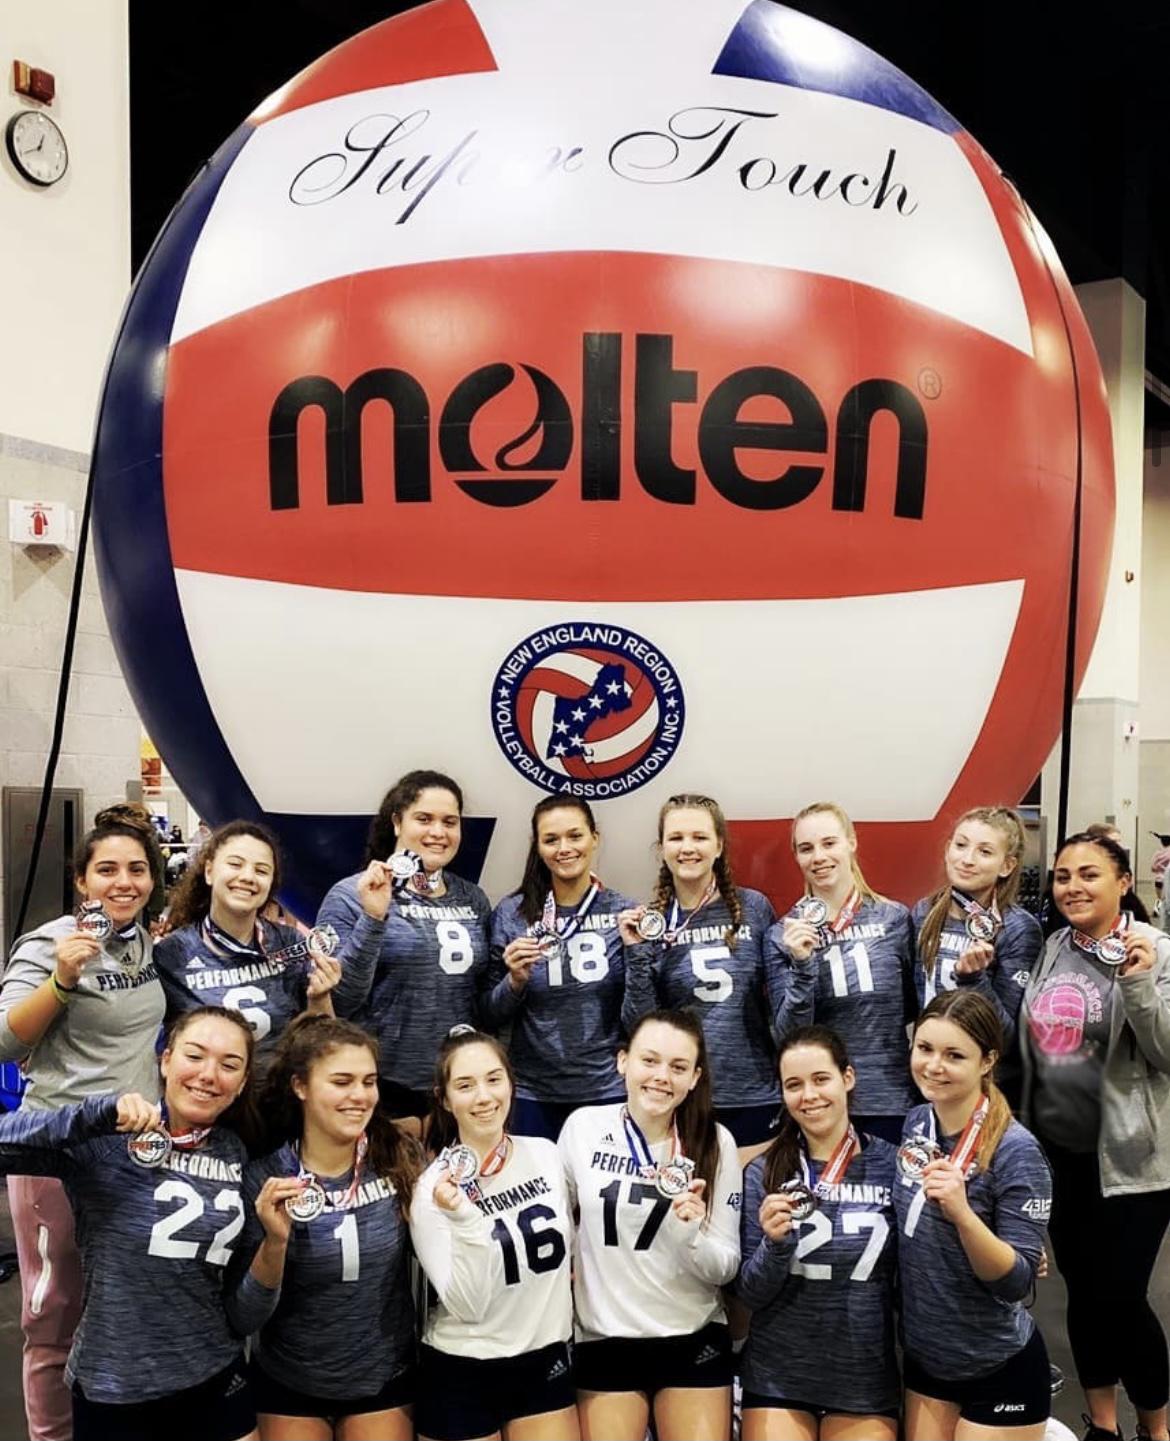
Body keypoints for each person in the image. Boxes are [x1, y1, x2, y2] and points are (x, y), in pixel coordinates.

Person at [0, 1006, 261, 1441]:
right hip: (117, 1385)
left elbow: (241, 1300)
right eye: (194, 1055)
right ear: (165, 1060)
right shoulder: (108, 1139)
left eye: (229, 1065)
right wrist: (96, 1114)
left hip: (215, 1372)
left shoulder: (235, 1151)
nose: (208, 1075)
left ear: (243, 1082)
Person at [0, 814, 167, 1441]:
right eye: (107, 870)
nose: (124, 882)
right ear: (81, 881)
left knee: (120, 1307)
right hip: (58, 1152)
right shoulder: (50, 942)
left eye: (137, 870)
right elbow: (3, 1040)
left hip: (132, 1153)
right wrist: (62, 980)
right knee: (54, 1315)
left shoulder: (143, 942)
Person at [1020, 830, 1170, 1441]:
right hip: (1062, 1152)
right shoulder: (1055, 945)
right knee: (1084, 1293)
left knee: (1122, 1296)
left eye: (1089, 874)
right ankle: (1103, 1425)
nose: (1072, 887)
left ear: (1123, 882)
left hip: (1131, 1159)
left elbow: (1166, 1051)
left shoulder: (1157, 949)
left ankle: (1156, 1430)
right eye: (1063, 876)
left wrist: (1138, 983)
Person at [235, 1015, 423, 1440]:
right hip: (289, 1383)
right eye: (341, 1082)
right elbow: (244, 1318)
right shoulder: (265, 1179)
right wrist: (274, 1244)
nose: (359, 1095)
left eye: (369, 1081)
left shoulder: (399, 1161)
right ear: (300, 1086)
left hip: (383, 1379)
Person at [559, 1009, 740, 1441]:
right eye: (649, 1060)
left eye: (678, 1067)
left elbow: (726, 1267)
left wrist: (690, 1234)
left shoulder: (715, 1141)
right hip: (605, 1338)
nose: (662, 1077)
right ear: (623, 1061)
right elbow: (561, 1232)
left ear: (694, 1078)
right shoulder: (583, 1128)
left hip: (692, 1336)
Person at [409, 1026, 577, 1441]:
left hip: (543, 1362)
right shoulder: (433, 1189)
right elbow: (467, 1306)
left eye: (493, 1079)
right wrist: (466, 1219)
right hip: (462, 1369)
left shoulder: (546, 1154)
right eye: (465, 1086)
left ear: (511, 1083)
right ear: (444, 1099)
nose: (484, 1097)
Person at [898, 991, 1051, 1441]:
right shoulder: (916, 1123)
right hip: (926, 1361)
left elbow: (1016, 1282)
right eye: (925, 1048)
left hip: (996, 1364)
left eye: (954, 1055)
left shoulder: (1016, 1150)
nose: (933, 1066)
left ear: (987, 1061)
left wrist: (964, 1215)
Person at [737, 1025, 898, 1440]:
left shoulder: (892, 1165)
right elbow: (750, 1294)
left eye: (821, 1079)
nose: (809, 1095)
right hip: (778, 1377)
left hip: (864, 1379)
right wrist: (774, 1246)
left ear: (848, 1077)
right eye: (794, 1085)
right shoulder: (764, 1172)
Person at [316, 771, 493, 1123]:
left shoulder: (473, 898)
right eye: (424, 819)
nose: (438, 832)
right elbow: (340, 1001)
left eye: (450, 822)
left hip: (458, 1084)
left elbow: (480, 998)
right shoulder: (350, 894)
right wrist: (373, 918)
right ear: (397, 822)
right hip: (382, 1085)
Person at [620, 794, 779, 1153]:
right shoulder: (650, 922)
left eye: (699, 837)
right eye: (676, 838)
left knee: (751, 1189)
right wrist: (636, 953)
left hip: (752, 1091)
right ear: (661, 848)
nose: (687, 848)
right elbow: (639, 1024)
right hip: (680, 1093)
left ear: (719, 846)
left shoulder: (755, 908)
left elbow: (781, 1005)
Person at [155, 820, 379, 1065]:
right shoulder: (172, 953)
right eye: (235, 864)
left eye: (261, 871)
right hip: (208, 1086)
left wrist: (319, 998)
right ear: (209, 871)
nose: (247, 877)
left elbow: (320, 1044)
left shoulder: (289, 943)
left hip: (279, 1087)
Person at [484, 798, 635, 1140]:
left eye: (575, 836)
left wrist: (637, 954)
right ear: (538, 847)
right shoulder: (511, 914)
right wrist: (514, 982)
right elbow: (487, 1015)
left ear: (594, 838)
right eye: (551, 839)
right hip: (532, 1092)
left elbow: (641, 1013)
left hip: (607, 1089)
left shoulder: (624, 913)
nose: (564, 848)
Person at [766, 802, 915, 1143]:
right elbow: (788, 1035)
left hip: (889, 1099)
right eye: (806, 848)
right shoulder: (781, 935)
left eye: (829, 843)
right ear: (796, 856)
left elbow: (911, 1008)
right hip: (818, 1105)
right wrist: (802, 965)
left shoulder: (894, 919)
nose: (818, 857)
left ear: (851, 841)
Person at [912, 806, 1042, 1049]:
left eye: (985, 852)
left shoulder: (1018, 928)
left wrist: (973, 979)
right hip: (929, 1062)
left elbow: (1008, 1037)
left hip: (984, 1068)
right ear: (947, 850)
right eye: (961, 845)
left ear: (1007, 866)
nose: (967, 860)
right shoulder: (923, 912)